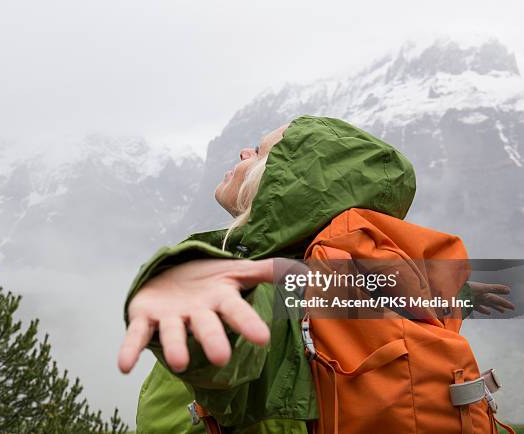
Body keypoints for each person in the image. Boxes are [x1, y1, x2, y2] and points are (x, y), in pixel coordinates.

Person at [118, 115, 513, 433]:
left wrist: (189, 295)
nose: (242, 152)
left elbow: (232, 345)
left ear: (282, 185)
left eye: (258, 153)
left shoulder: (278, 285)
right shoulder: (336, 279)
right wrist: (457, 296)